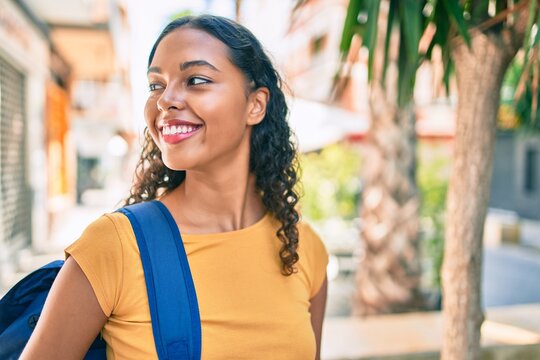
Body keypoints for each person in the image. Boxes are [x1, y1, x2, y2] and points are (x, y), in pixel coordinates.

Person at [21, 14, 328, 360]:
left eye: (195, 80)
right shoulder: (113, 247)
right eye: (156, 85)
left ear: (255, 105)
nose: (166, 100)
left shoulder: (303, 248)